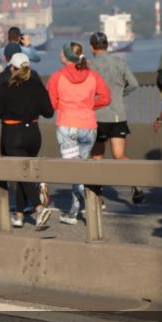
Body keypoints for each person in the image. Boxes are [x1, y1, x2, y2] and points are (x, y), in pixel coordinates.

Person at [0, 52, 56, 229]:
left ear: (12, 68)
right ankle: (18, 215)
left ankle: (39, 208)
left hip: (13, 134)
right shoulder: (38, 86)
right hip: (33, 134)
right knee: (24, 174)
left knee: (20, 174)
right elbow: (48, 112)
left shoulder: (6, 87)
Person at [47, 42, 111, 225]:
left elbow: (51, 104)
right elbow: (106, 98)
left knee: (74, 172)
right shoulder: (93, 75)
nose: (59, 54)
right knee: (81, 168)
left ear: (66, 56)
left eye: (61, 51)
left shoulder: (56, 77)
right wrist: (89, 105)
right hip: (89, 125)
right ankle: (83, 205)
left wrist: (66, 106)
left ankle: (76, 211)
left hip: (67, 125)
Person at [88, 31, 143, 204]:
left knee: (98, 157)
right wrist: (119, 94)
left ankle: (98, 196)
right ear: (107, 45)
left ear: (92, 47)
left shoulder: (89, 64)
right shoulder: (120, 62)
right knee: (119, 155)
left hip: (97, 115)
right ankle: (136, 184)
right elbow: (134, 84)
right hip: (118, 114)